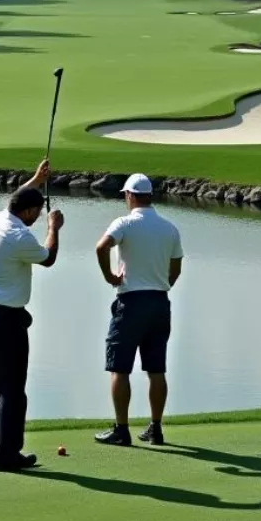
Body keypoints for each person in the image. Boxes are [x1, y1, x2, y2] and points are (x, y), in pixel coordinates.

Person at [0, 159, 63, 472]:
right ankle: (7, 454)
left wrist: (36, 180)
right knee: (12, 389)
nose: (37, 218)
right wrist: (53, 228)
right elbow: (48, 258)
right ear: (29, 212)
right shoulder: (20, 237)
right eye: (37, 214)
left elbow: (17, 198)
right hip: (3, 317)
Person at [93, 173, 184, 447]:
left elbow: (101, 247)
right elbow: (176, 269)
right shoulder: (169, 227)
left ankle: (122, 430)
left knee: (119, 368)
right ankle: (155, 429)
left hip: (131, 303)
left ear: (130, 195)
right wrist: (160, 285)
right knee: (156, 370)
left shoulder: (125, 223)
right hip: (159, 303)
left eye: (125, 195)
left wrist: (109, 276)